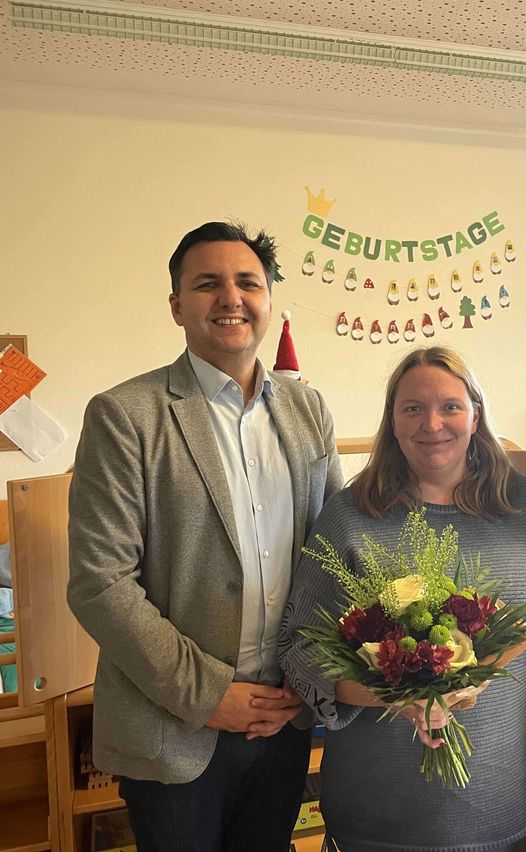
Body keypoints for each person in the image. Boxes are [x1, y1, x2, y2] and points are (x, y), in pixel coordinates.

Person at [67, 221, 343, 851]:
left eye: (248, 282)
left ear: (269, 300)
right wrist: (211, 695)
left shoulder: (309, 413)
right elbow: (99, 585)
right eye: (207, 284)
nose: (231, 298)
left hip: (283, 720)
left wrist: (310, 685)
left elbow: (335, 559)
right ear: (176, 306)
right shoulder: (125, 416)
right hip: (173, 730)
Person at [279, 346, 526, 852]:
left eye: (450, 406)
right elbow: (298, 648)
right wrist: (397, 693)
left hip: (504, 807)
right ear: (392, 420)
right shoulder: (350, 516)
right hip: (379, 818)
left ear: (476, 413)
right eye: (412, 408)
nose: (433, 423)